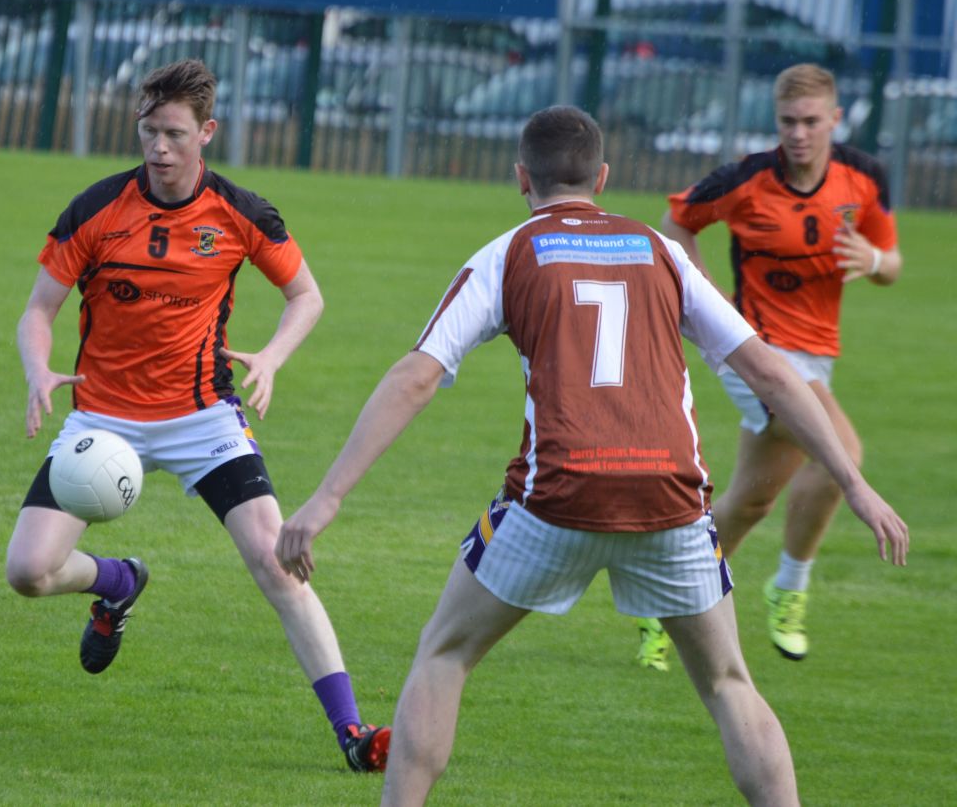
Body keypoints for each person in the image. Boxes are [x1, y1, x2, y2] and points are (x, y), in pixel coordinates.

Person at [274, 106, 908, 805]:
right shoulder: (660, 250)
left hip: (558, 498)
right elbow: (771, 372)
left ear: (522, 178)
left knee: (445, 653)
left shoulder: (508, 252)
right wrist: (852, 481)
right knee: (729, 683)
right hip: (671, 499)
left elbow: (416, 376)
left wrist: (327, 496)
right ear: (602, 177)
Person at [5, 58, 389, 772]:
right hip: (102, 420)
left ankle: (353, 732)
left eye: (175, 134)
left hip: (203, 416)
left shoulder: (241, 213)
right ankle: (117, 582)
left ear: (206, 132)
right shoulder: (95, 208)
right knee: (27, 570)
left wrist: (271, 357)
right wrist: (38, 369)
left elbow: (307, 295)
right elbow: (39, 308)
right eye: (149, 131)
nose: (159, 148)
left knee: (280, 564)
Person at [634, 63, 903, 671]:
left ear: (835, 119)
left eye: (811, 121)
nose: (799, 134)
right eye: (788, 122)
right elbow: (677, 222)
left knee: (749, 502)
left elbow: (892, 264)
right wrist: (709, 302)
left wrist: (873, 257)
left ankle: (661, 597)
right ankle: (789, 586)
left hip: (816, 357)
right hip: (753, 353)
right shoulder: (746, 179)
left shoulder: (864, 178)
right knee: (842, 457)